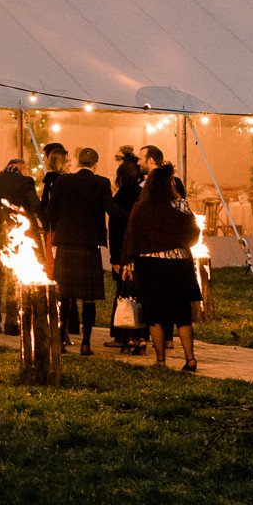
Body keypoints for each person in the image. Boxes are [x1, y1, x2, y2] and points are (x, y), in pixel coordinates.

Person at [121, 163, 201, 370]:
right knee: (182, 315)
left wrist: (128, 263)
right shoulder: (181, 205)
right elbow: (193, 234)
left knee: (154, 315)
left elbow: (132, 236)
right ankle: (190, 359)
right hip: (178, 265)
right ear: (169, 185)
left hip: (151, 266)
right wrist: (178, 244)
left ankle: (160, 361)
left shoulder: (141, 208)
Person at [44, 147, 120, 354]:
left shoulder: (63, 181)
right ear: (95, 164)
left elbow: (50, 212)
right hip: (89, 245)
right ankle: (86, 343)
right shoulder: (101, 183)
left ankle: (60, 340)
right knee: (88, 298)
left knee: (65, 295)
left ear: (78, 162)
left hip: (67, 243)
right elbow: (111, 210)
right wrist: (132, 216)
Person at [0, 156, 42, 335]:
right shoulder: (25, 182)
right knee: (14, 279)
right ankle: (12, 322)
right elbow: (35, 205)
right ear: (19, 168)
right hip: (15, 239)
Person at [106, 151, 146, 354]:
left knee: (123, 293)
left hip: (124, 250)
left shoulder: (120, 197)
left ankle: (125, 336)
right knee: (139, 292)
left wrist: (114, 258)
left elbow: (114, 229)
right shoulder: (143, 195)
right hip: (141, 250)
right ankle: (141, 336)